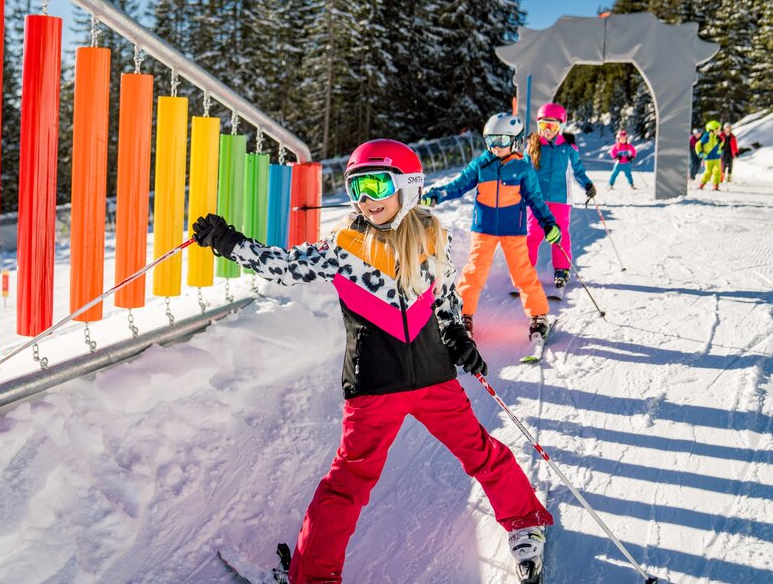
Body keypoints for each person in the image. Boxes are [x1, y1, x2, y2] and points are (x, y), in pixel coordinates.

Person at [191, 139, 554, 584]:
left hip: (433, 379)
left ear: (407, 185)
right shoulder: (343, 248)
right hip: (373, 385)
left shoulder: (433, 238)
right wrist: (230, 243)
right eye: (356, 187)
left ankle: (524, 521)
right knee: (346, 484)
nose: (366, 198)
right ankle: (313, 575)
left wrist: (456, 334)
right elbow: (282, 266)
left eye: (377, 184)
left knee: (481, 452)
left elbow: (442, 299)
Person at [422, 113, 560, 340]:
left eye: (502, 141)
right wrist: (436, 195)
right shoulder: (481, 164)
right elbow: (458, 185)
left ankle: (538, 315)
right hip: (483, 229)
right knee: (474, 271)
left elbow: (535, 200)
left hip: (513, 231)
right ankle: (463, 314)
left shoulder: (523, 169)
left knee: (522, 273)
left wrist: (548, 223)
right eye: (491, 140)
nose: (495, 146)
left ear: (515, 141)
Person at [525, 103, 596, 290]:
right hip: (536, 200)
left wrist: (587, 184)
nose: (547, 130)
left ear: (561, 127)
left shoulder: (568, 148)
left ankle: (562, 270)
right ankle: (525, 270)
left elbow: (578, 170)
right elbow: (522, 171)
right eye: (543, 126)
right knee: (533, 235)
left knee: (560, 235)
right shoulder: (532, 147)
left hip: (561, 199)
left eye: (552, 126)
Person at [697, 120, 725, 190]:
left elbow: (721, 144)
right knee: (708, 172)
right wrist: (700, 153)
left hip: (716, 157)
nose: (718, 130)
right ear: (711, 129)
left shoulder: (717, 137)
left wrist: (720, 149)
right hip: (708, 157)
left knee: (717, 171)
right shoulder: (706, 137)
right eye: (717, 129)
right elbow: (698, 145)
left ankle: (716, 186)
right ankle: (702, 184)